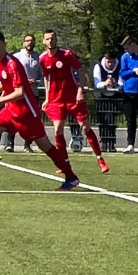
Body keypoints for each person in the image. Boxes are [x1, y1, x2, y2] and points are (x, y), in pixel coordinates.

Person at [0, 30, 80, 191]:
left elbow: (20, 93)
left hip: (26, 113)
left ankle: (71, 177)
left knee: (44, 145)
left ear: (4, 44)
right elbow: (4, 83)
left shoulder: (12, 64)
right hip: (11, 110)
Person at [39, 29, 110, 173]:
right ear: (43, 41)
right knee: (58, 129)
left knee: (85, 127)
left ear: (56, 39)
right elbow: (47, 78)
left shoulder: (66, 54)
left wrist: (80, 90)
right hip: (56, 100)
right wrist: (47, 98)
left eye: (52, 38)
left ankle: (100, 158)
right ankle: (64, 163)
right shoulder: (43, 58)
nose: (50, 41)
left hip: (73, 98)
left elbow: (81, 70)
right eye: (47, 39)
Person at [3, 33, 43, 153]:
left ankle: (28, 144)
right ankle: (10, 143)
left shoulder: (39, 58)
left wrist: (36, 81)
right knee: (14, 117)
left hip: (33, 94)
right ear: (23, 43)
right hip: (18, 93)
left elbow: (43, 76)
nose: (29, 43)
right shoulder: (17, 57)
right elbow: (9, 74)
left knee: (31, 120)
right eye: (27, 40)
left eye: (31, 40)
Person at [92, 51, 122, 153]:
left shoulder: (119, 66)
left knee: (112, 121)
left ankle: (112, 144)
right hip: (101, 97)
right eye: (108, 62)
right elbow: (97, 83)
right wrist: (105, 83)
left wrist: (116, 84)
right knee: (102, 121)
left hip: (114, 97)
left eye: (112, 62)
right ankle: (104, 143)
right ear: (105, 60)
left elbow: (122, 83)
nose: (110, 64)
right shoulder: (98, 67)